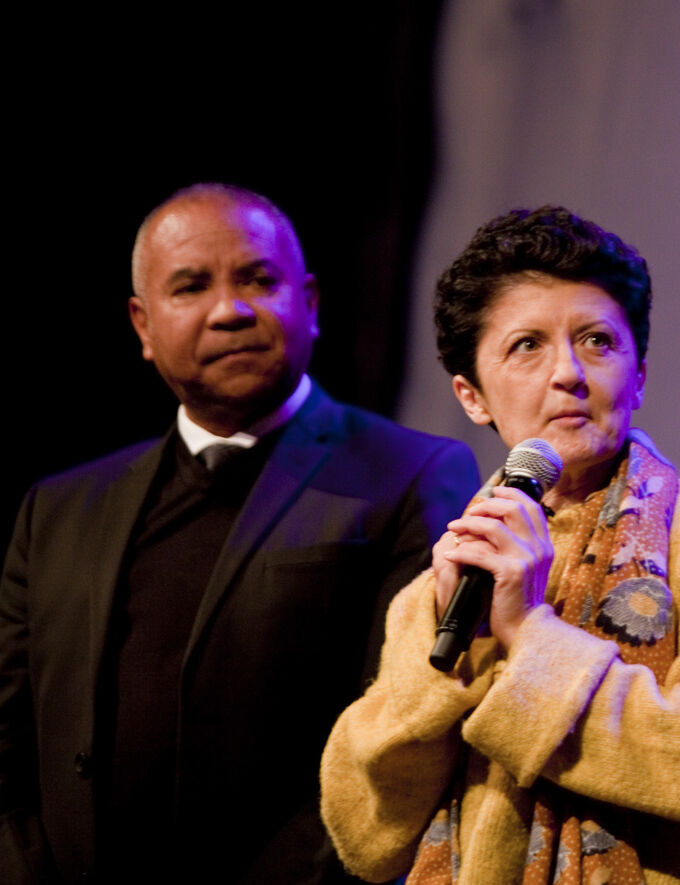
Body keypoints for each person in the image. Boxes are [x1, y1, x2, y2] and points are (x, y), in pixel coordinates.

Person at [0, 183, 481, 884]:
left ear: (310, 303)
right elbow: (9, 743)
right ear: (142, 325)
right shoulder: (58, 510)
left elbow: (404, 729)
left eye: (258, 279)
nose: (230, 310)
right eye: (191, 286)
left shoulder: (410, 475)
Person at [319, 206, 680, 884]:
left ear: (639, 374)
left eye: (598, 341)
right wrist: (445, 660)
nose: (569, 373)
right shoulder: (450, 579)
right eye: (527, 346)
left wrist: (528, 635)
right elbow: (366, 838)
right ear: (472, 396)